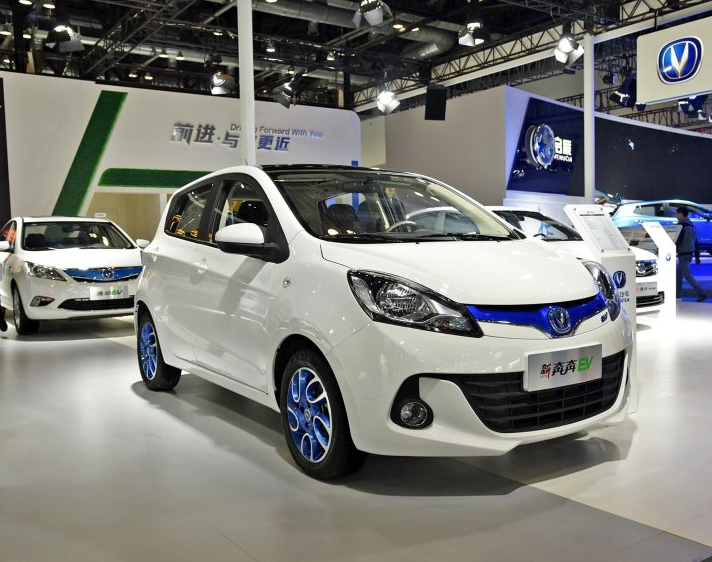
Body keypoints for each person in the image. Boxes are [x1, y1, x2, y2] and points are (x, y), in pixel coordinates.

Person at [675, 206, 707, 302]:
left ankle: (702, 293)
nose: (676, 216)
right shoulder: (692, 227)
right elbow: (696, 243)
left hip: (683, 254)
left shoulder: (680, 226)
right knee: (678, 275)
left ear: (681, 214)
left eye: (677, 214)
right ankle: (677, 296)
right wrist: (697, 256)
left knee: (687, 275)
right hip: (689, 254)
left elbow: (676, 241)